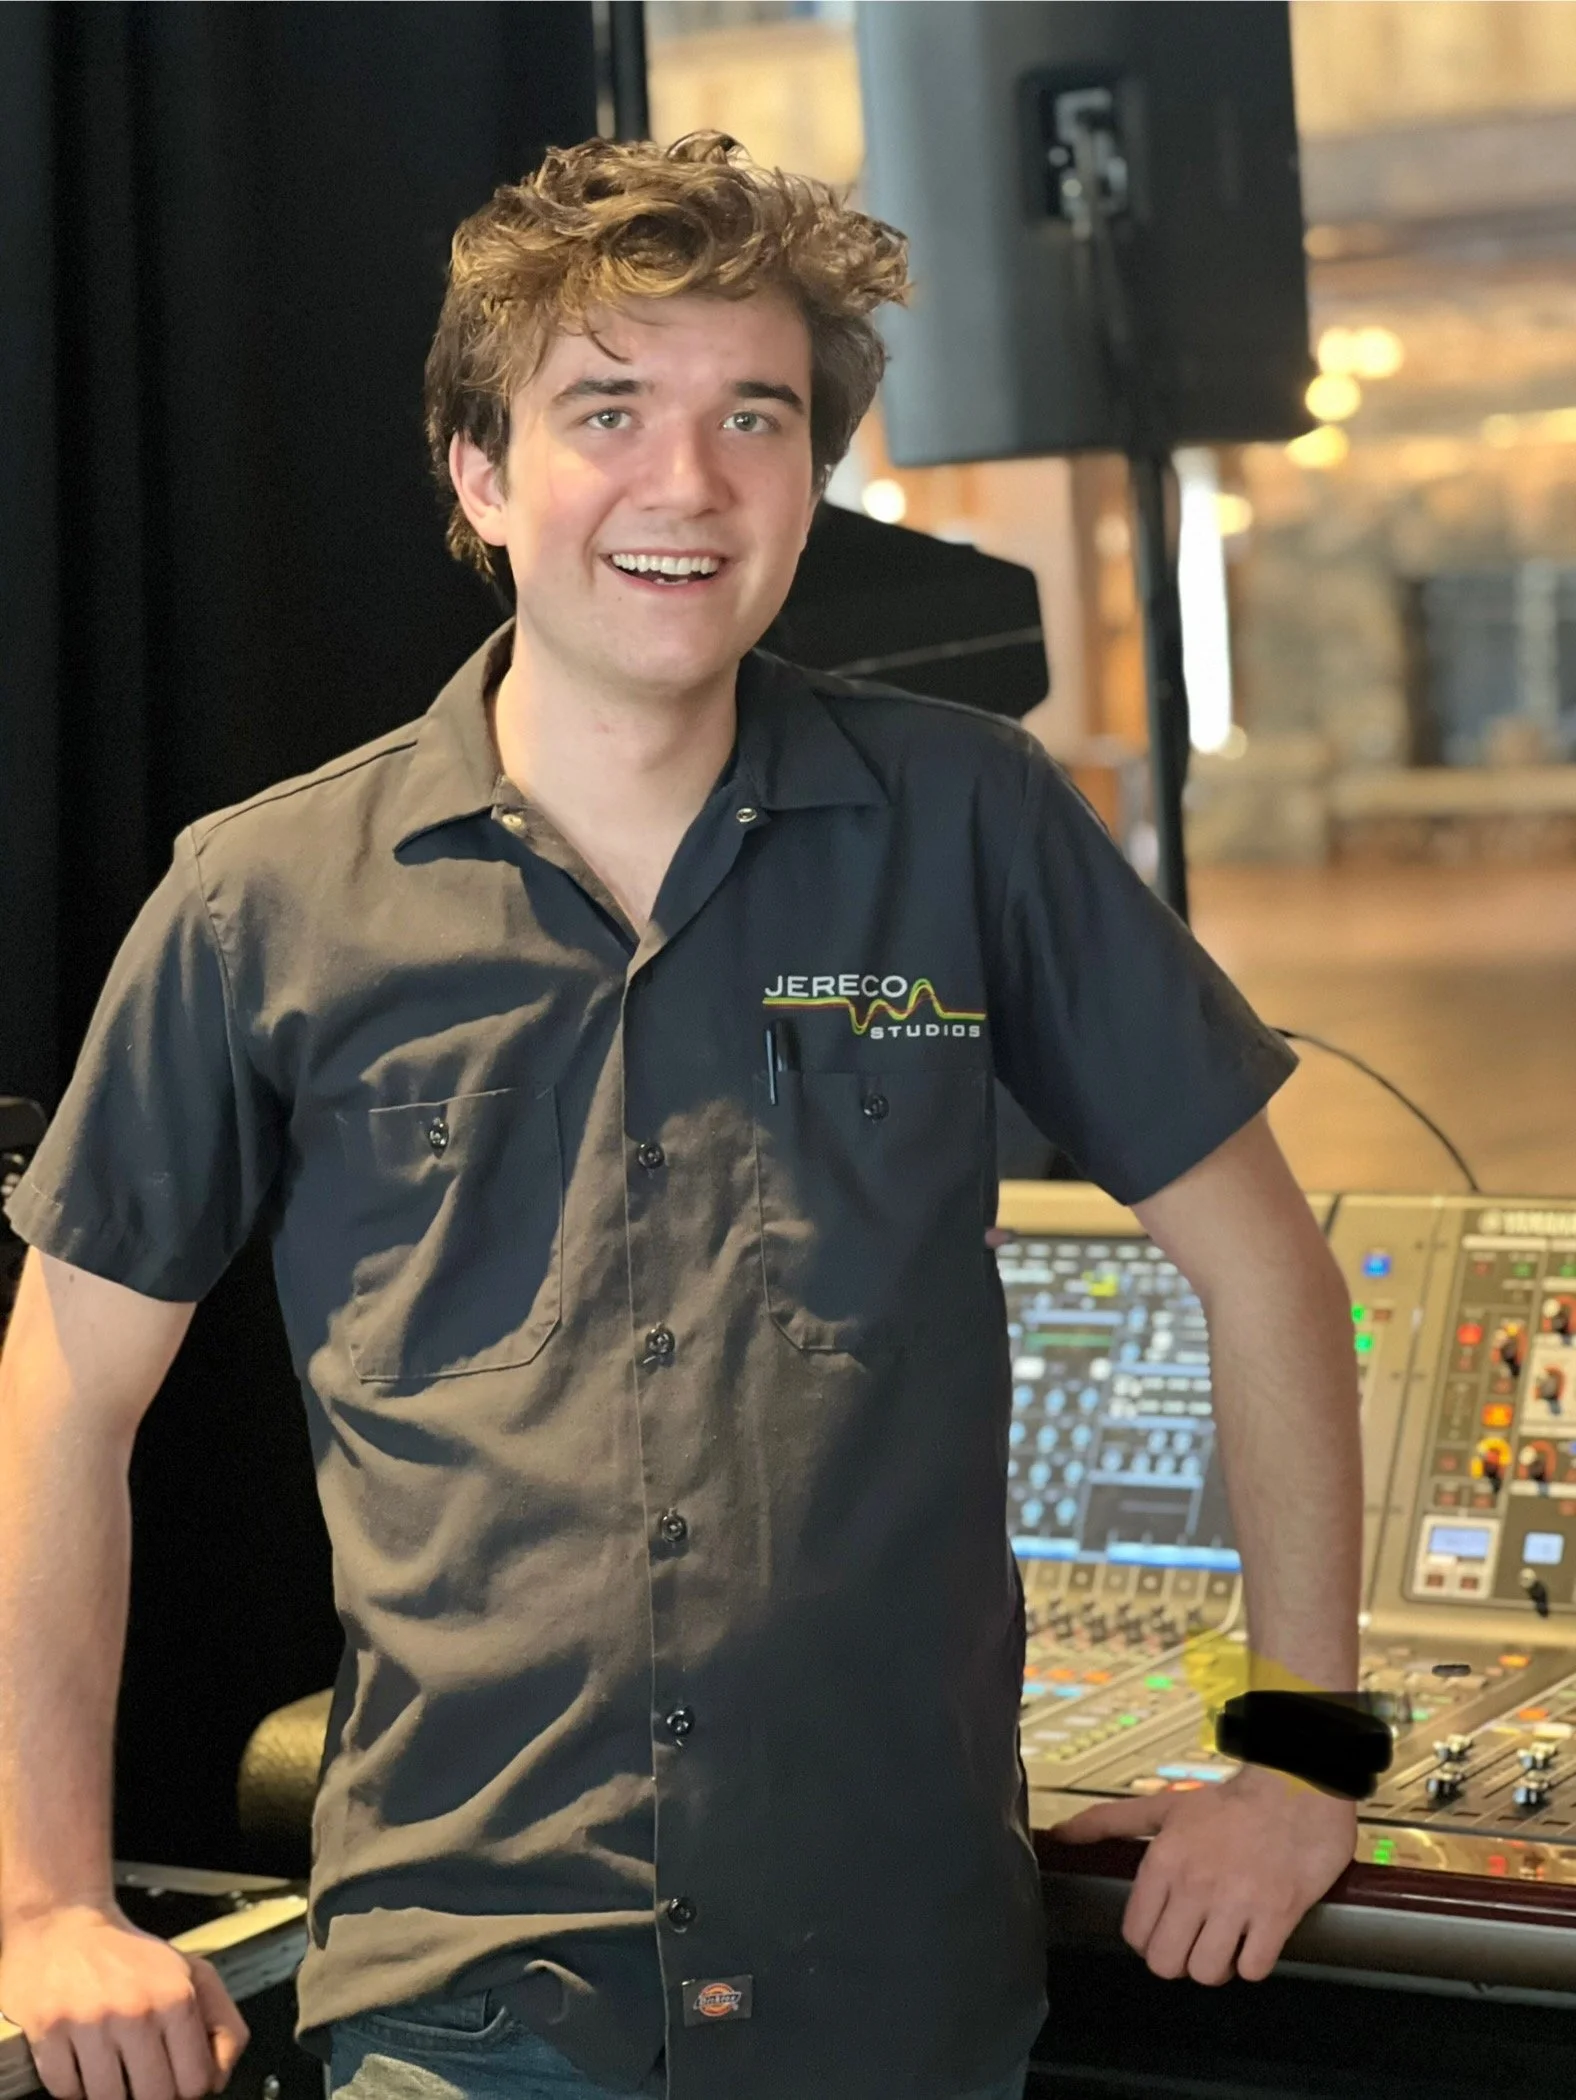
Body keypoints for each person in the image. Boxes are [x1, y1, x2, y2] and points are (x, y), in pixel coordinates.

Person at [0, 131, 1362, 2100]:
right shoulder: (261, 900)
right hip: (465, 2009)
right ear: (481, 476)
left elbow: (1263, 1269)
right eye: (606, 411)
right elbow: (63, 1387)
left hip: (899, 1994)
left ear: (810, 481)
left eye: (756, 417)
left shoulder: (970, 823)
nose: (687, 482)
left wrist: (1299, 1751)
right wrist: (43, 1897)